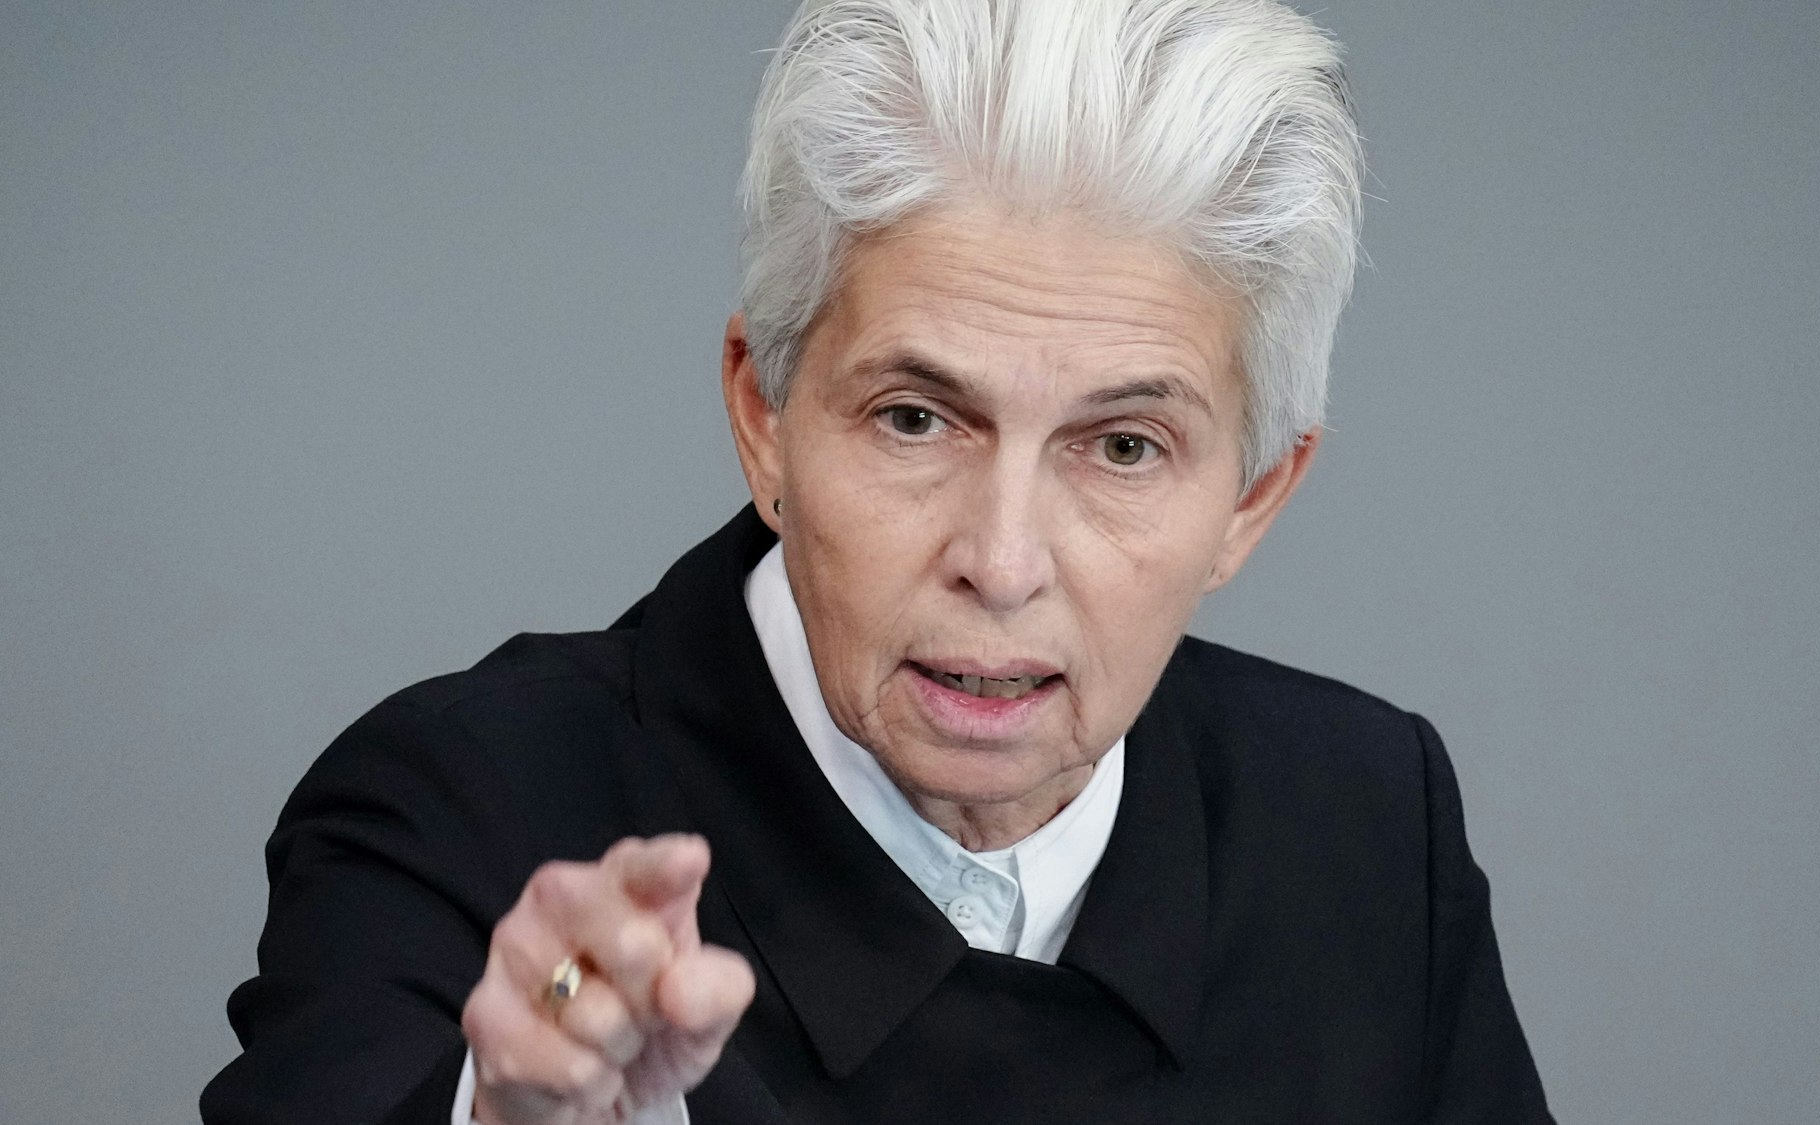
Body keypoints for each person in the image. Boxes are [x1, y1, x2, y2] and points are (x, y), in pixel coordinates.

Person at [202, 1, 1554, 1122]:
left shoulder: (1372, 829)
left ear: (1254, 501)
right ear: (764, 416)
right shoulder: (460, 805)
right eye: (917, 418)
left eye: (1124, 447)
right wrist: (511, 1109)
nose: (1004, 559)